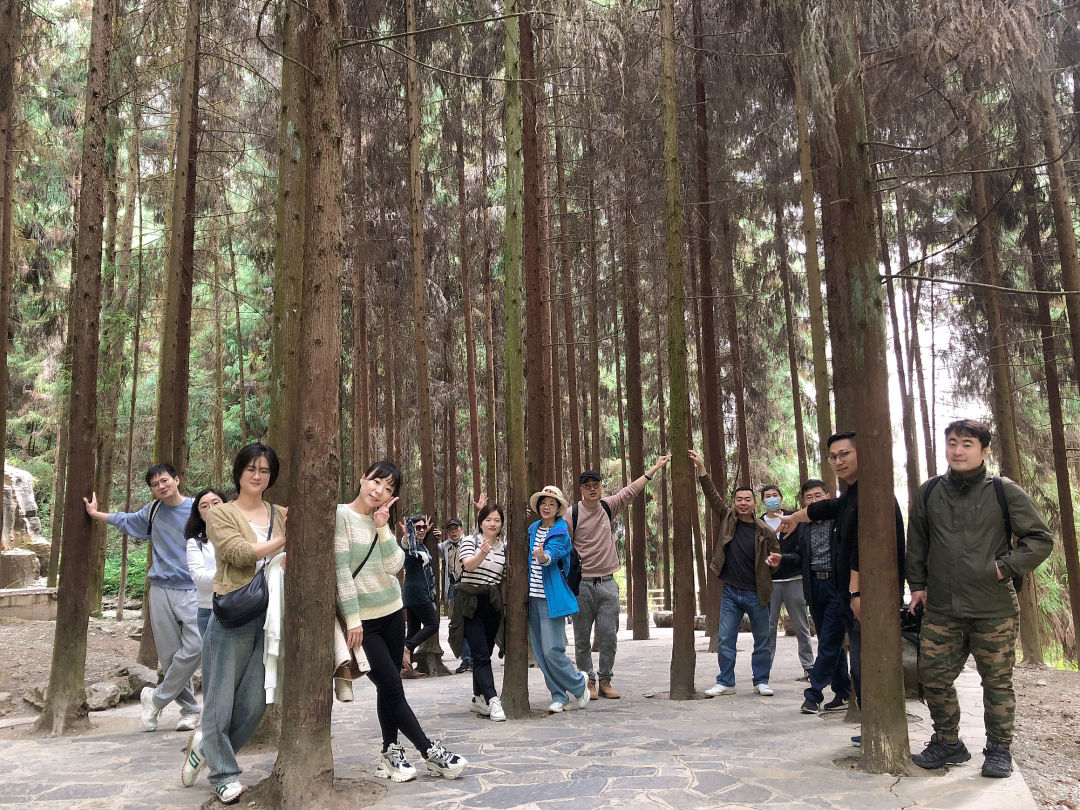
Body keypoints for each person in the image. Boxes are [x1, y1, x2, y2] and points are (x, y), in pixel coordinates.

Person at [907, 420, 1053, 778]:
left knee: (997, 682)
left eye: (967, 444)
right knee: (934, 678)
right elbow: (918, 543)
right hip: (942, 608)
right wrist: (918, 585)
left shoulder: (1004, 491)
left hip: (993, 609)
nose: (957, 451)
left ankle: (999, 749)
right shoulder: (928, 493)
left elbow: (1040, 539)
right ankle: (948, 743)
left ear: (984, 451)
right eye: (952, 443)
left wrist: (1003, 568)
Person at [336, 460, 466, 782]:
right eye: (376, 482)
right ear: (363, 478)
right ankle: (429, 752)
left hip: (393, 612)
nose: (380, 491)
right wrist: (352, 619)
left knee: (388, 689)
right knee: (393, 687)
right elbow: (340, 572)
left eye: (389, 489)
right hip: (363, 623)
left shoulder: (382, 521)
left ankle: (390, 754)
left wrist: (382, 527)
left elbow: (395, 566)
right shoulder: (342, 515)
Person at [779, 431, 906, 745]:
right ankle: (871, 728)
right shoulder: (853, 494)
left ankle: (879, 729)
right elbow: (826, 509)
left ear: (863, 454)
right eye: (833, 457)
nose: (838, 461)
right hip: (845, 594)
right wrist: (795, 517)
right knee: (858, 665)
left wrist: (855, 593)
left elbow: (862, 548)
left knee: (866, 665)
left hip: (867, 596)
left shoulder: (874, 494)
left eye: (845, 454)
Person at [180, 443, 287, 803]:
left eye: (265, 471)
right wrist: (284, 541)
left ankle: (206, 750)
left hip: (271, 616)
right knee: (219, 700)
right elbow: (237, 554)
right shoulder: (220, 514)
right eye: (251, 470)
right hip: (232, 615)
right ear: (238, 472)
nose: (257, 477)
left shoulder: (280, 512)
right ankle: (224, 774)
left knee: (256, 703)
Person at [84, 463, 201, 733]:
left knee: (197, 646)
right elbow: (126, 520)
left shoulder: (198, 508)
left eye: (165, 480)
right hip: (160, 589)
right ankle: (189, 710)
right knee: (171, 656)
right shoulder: (154, 511)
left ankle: (156, 698)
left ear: (177, 480)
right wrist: (95, 513)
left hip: (194, 589)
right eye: (155, 484)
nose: (161, 486)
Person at [569, 457, 671, 700]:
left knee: (609, 636)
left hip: (608, 583)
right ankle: (588, 682)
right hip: (582, 585)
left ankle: (605, 680)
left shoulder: (608, 506)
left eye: (596, 484)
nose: (592, 489)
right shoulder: (571, 514)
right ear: (581, 490)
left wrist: (653, 469)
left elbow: (630, 491)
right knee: (582, 638)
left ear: (601, 487)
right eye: (587, 486)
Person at [690, 450, 782, 697]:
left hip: (758, 592)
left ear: (754, 503)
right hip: (731, 591)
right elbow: (712, 496)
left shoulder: (766, 531)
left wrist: (774, 562)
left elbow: (777, 560)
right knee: (725, 640)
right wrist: (701, 468)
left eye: (747, 499)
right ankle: (726, 682)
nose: (743, 503)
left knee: (762, 640)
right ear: (734, 503)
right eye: (739, 499)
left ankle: (761, 680)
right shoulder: (727, 517)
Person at [788, 479, 850, 715]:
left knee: (828, 642)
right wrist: (781, 560)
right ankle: (843, 692)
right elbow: (799, 557)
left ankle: (813, 694)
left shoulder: (839, 519)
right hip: (814, 587)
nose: (813, 501)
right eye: (808, 498)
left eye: (818, 496)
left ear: (828, 496)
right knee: (829, 640)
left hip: (836, 586)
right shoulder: (804, 525)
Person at [527, 485, 591, 713]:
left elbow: (552, 557)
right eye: (544, 502)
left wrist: (543, 556)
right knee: (540, 653)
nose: (547, 507)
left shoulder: (561, 532)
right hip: (531, 599)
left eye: (552, 504)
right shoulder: (533, 528)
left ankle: (578, 682)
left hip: (550, 598)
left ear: (558, 508)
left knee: (553, 649)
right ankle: (558, 695)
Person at [453, 499, 507, 722]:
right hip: (470, 603)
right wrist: (481, 554)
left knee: (484, 652)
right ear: (480, 522)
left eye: (497, 520)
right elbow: (468, 565)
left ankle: (478, 699)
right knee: (481, 654)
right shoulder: (469, 541)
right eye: (488, 520)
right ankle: (493, 701)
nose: (492, 524)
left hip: (491, 604)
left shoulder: (504, 548)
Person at [762, 484, 814, 681]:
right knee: (769, 627)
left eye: (775, 495)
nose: (772, 499)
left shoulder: (794, 519)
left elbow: (803, 552)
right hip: (771, 583)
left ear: (781, 499)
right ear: (762, 501)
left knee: (802, 626)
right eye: (768, 496)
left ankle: (809, 667)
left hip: (794, 579)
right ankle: (764, 669)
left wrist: (784, 558)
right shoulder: (758, 523)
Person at [400, 514, 440, 677]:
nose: (422, 530)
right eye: (418, 528)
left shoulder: (420, 547)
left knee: (413, 629)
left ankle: (403, 668)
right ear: (411, 530)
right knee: (432, 624)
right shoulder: (409, 545)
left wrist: (428, 532)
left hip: (416, 592)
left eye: (424, 527)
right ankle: (407, 648)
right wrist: (407, 533)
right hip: (415, 592)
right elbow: (405, 542)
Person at [185, 488, 228, 637]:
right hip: (210, 610)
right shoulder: (196, 542)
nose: (211, 508)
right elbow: (199, 577)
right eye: (204, 506)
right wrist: (233, 576)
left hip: (245, 607)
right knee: (213, 660)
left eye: (216, 503)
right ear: (199, 514)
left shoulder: (242, 534)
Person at [439, 514, 473, 674]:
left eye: (456, 528)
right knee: (459, 624)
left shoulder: (469, 541)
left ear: (462, 529)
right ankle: (466, 659)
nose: (454, 532)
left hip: (468, 586)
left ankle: (474, 658)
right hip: (454, 588)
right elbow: (434, 548)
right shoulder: (445, 546)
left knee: (472, 622)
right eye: (450, 530)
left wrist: (481, 512)